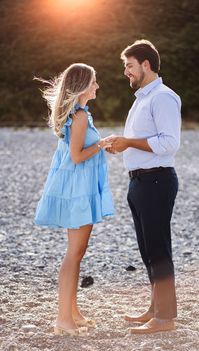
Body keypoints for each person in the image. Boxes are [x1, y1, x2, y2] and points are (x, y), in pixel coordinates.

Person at [34, 63, 114, 336]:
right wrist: (101, 145)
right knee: (74, 254)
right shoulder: (78, 116)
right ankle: (63, 320)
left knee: (77, 253)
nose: (97, 86)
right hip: (77, 191)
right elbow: (77, 156)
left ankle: (73, 311)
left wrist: (99, 146)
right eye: (93, 82)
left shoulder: (82, 114)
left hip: (81, 188)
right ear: (81, 87)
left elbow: (78, 151)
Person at [107, 40, 181, 334]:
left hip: (156, 180)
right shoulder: (142, 97)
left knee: (158, 250)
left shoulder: (162, 97)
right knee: (147, 250)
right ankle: (155, 309)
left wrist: (128, 142)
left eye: (129, 65)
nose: (126, 71)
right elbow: (143, 140)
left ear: (145, 65)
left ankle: (165, 319)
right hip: (139, 181)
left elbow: (169, 143)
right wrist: (121, 144)